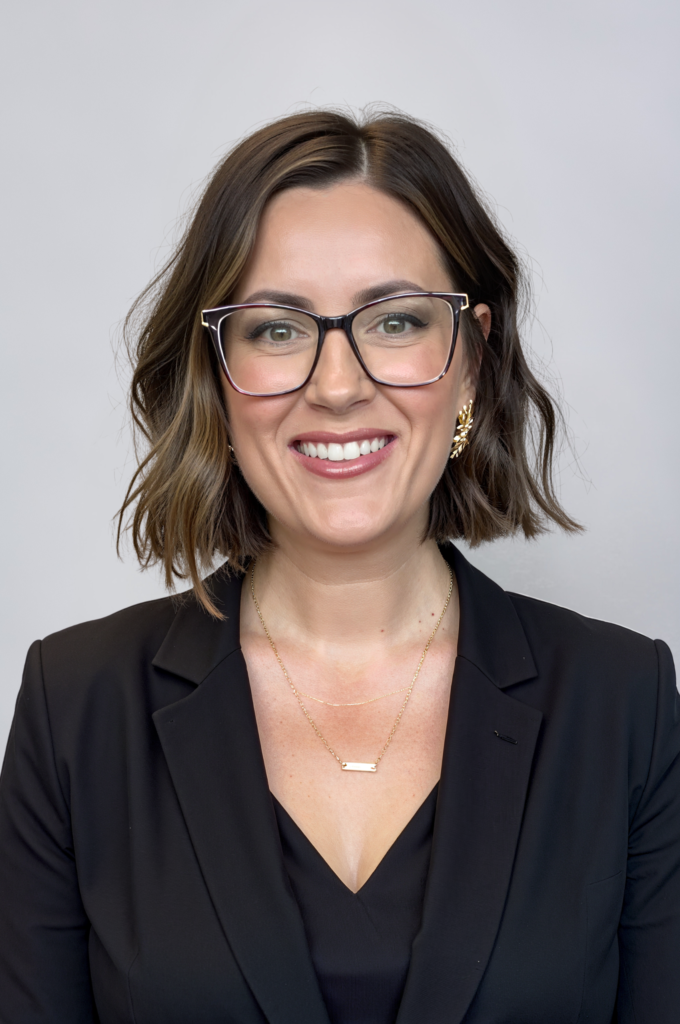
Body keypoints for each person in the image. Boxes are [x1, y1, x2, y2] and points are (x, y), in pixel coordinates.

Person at [0, 109, 678, 1024]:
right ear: (217, 377)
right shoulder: (76, 707)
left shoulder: (625, 702)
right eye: (277, 330)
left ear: (471, 361)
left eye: (394, 321)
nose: (337, 384)